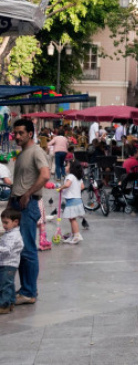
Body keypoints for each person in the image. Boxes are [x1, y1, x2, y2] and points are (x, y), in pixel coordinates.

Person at [10, 119, 50, 306]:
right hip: (17, 204)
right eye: (15, 133)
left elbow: (45, 174)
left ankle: (29, 291)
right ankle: (26, 289)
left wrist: (28, 194)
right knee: (20, 248)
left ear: (30, 133)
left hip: (28, 204)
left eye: (20, 133)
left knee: (27, 249)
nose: (17, 136)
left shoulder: (36, 151)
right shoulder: (23, 152)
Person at [57, 162, 87, 245]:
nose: (65, 167)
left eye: (67, 165)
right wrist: (75, 189)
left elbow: (67, 184)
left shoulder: (70, 176)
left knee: (72, 219)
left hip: (72, 200)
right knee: (72, 219)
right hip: (77, 199)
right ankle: (73, 235)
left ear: (71, 168)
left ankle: (77, 235)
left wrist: (60, 188)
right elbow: (82, 187)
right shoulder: (78, 177)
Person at [0, 208, 23, 314]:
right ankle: (11, 302)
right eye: (3, 222)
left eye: (6, 223)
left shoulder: (13, 235)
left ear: (15, 222)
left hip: (8, 264)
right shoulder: (10, 233)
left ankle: (4, 305)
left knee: (5, 284)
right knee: (9, 283)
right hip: (8, 263)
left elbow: (7, 249)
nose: (4, 225)